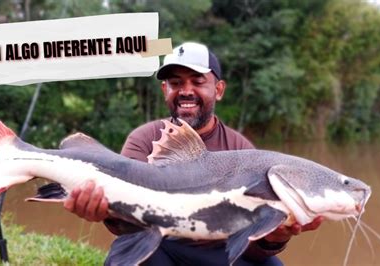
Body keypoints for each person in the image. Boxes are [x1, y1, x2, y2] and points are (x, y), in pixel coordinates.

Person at [64, 42, 323, 265]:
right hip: (162, 244)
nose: (186, 90)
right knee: (130, 260)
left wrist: (272, 239)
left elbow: (249, 248)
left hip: (218, 252)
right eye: (176, 83)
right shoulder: (143, 140)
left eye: (197, 82)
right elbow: (128, 227)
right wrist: (105, 212)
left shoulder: (241, 149)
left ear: (218, 90)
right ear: (165, 90)